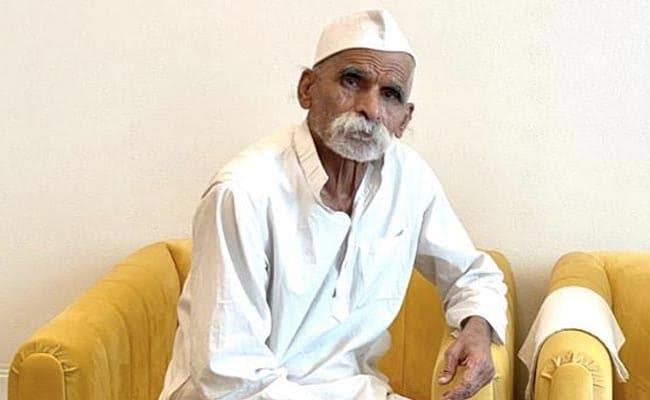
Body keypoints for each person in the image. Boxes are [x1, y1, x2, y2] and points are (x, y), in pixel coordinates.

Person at [158, 10, 507, 400]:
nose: (370, 109)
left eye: (390, 94)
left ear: (404, 119)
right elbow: (229, 374)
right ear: (307, 89)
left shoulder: (409, 178)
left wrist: (477, 326)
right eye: (352, 81)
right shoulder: (243, 192)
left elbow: (473, 274)